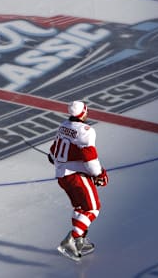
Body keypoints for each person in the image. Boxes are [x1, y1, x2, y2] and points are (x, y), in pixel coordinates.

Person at [47, 100, 108, 261]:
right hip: (76, 175)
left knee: (80, 207)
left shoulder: (63, 125)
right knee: (93, 208)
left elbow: (54, 149)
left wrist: (53, 157)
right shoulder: (86, 131)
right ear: (82, 113)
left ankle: (79, 241)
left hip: (62, 176)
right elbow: (90, 158)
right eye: (86, 111)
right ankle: (72, 239)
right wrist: (99, 174)